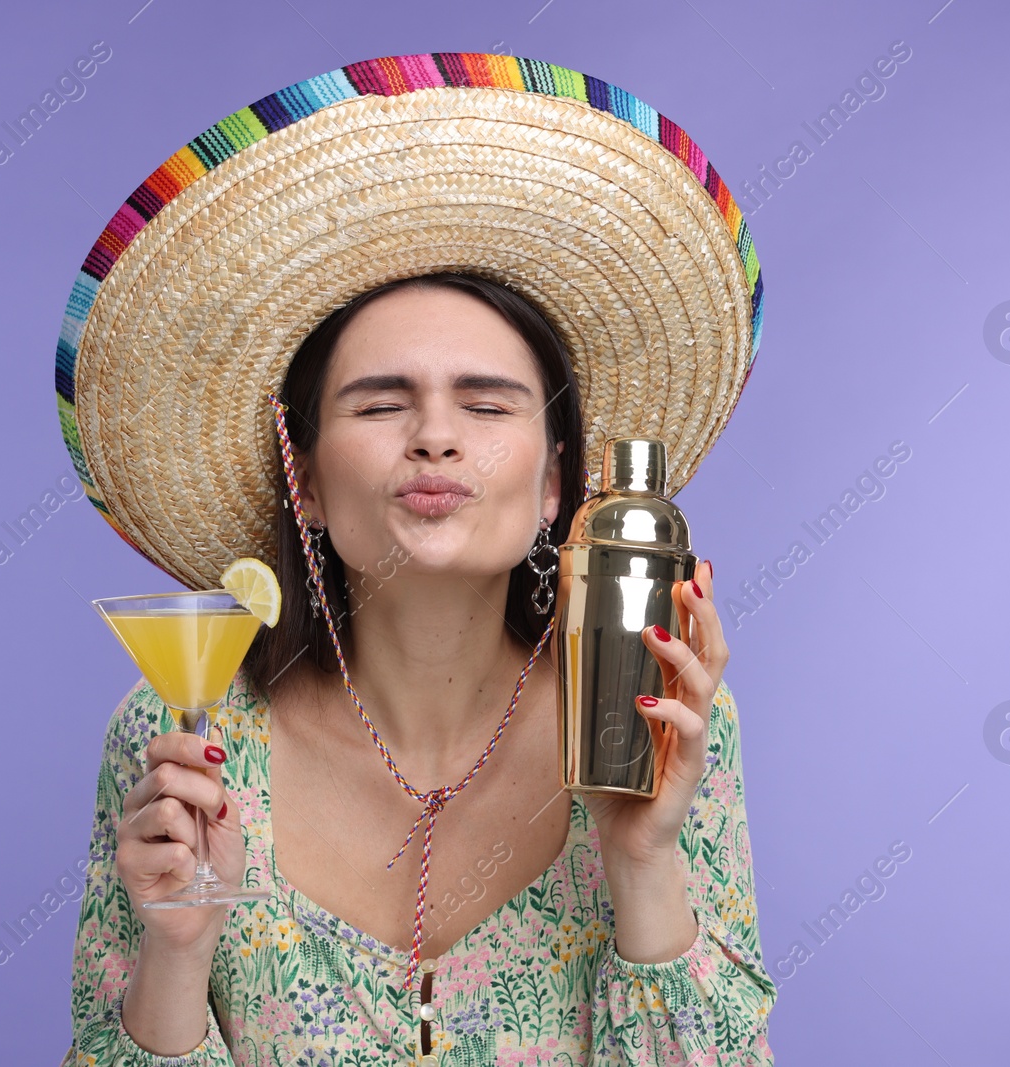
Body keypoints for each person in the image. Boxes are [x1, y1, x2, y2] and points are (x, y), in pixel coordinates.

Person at [54, 53, 773, 1065]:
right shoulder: (184, 731)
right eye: (380, 403)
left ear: (559, 482)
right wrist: (175, 951)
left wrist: (640, 855)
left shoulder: (660, 718)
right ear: (301, 477)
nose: (434, 435)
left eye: (485, 405)